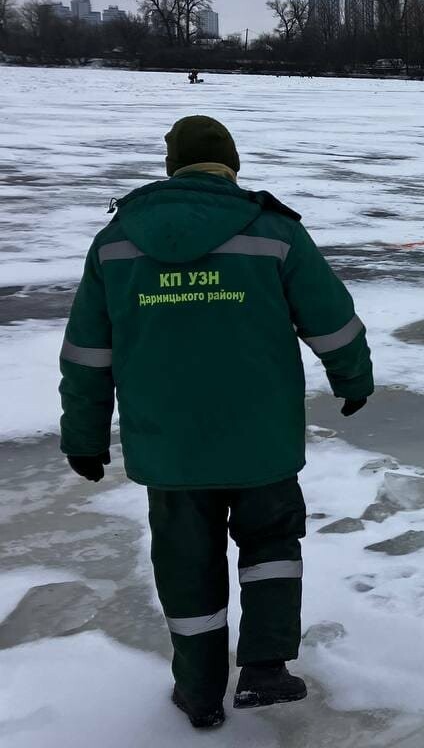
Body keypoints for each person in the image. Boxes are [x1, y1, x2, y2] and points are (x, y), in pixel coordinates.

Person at [58, 115, 374, 729]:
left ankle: (199, 693)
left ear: (173, 165)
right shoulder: (274, 231)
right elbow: (331, 319)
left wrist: (84, 435)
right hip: (262, 442)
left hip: (170, 450)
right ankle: (263, 669)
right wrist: (353, 380)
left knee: (185, 566)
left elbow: (87, 355)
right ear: (232, 164)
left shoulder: (116, 242)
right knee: (271, 546)